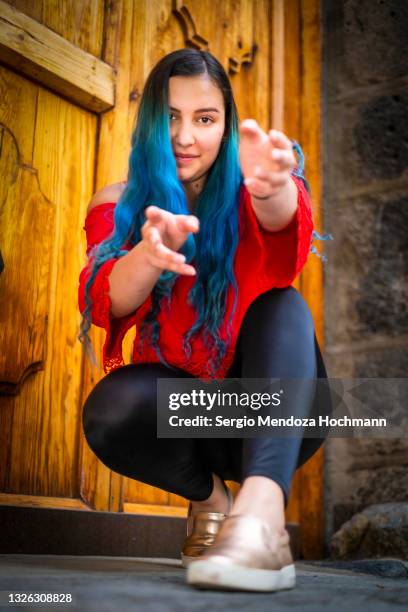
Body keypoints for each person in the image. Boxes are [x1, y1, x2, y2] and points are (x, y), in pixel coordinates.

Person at [78, 48, 332, 593]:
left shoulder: (251, 186)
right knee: (111, 407)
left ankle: (263, 518)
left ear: (224, 124)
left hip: (280, 412)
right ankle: (215, 503)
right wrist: (148, 254)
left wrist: (274, 190)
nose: (185, 137)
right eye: (169, 116)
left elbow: (286, 242)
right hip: (193, 421)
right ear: (147, 120)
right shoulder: (119, 204)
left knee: (281, 304)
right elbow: (107, 300)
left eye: (205, 118)